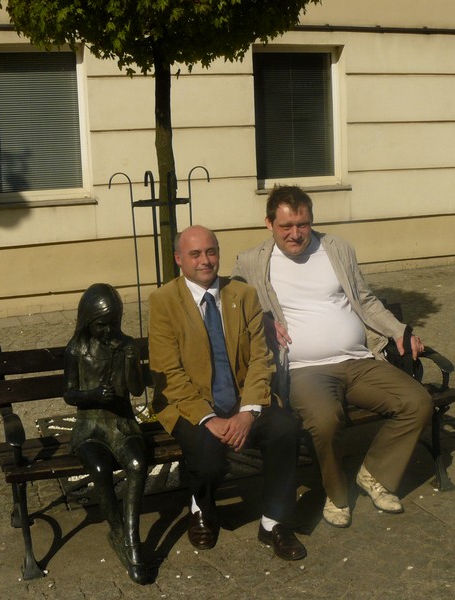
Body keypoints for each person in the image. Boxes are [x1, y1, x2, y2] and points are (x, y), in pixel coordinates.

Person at [232, 186, 433, 528]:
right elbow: (237, 308)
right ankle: (337, 493)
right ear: (269, 224)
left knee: (418, 402)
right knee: (325, 421)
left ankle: (375, 475)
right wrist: (262, 320)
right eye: (286, 226)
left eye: (303, 224)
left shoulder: (337, 248)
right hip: (304, 370)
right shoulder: (251, 261)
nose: (295, 234)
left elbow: (365, 300)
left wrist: (399, 330)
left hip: (359, 360)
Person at [148, 225, 307, 560]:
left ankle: (274, 521)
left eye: (211, 252)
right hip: (191, 402)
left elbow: (260, 359)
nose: (205, 261)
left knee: (285, 430)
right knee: (206, 455)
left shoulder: (243, 295)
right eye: (195, 254)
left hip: (241, 398)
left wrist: (248, 412)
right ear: (179, 259)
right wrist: (209, 419)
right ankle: (202, 508)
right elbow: (168, 372)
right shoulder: (164, 301)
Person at [64, 283, 149, 584]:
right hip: (90, 426)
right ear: (87, 320)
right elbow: (69, 394)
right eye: (101, 325)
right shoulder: (77, 349)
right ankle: (117, 530)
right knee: (100, 469)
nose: (107, 330)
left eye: (112, 323)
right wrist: (93, 394)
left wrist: (132, 362)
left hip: (122, 424)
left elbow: (137, 390)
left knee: (138, 464)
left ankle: (132, 540)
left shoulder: (125, 346)